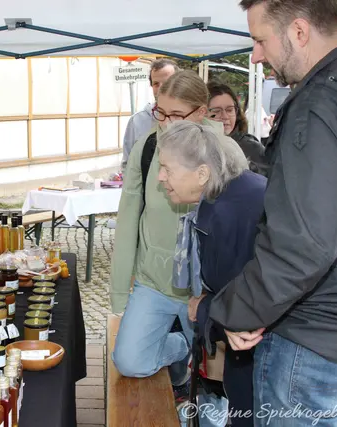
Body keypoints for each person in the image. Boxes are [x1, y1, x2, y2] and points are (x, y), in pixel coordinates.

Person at [209, 1, 337, 425]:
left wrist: (236, 311)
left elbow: (304, 244)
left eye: (260, 40)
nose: (255, 56)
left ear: (299, 32)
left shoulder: (319, 104)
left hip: (314, 342)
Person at [110, 70, 229, 427]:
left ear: (201, 112)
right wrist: (120, 293)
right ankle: (181, 347)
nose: (165, 123)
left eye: (176, 115)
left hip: (204, 290)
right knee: (129, 360)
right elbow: (128, 218)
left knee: (214, 386)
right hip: (154, 282)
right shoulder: (147, 147)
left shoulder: (224, 151)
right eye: (160, 112)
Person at [157, 121, 267, 427]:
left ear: (202, 174)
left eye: (167, 169)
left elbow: (246, 311)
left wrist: (204, 307)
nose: (160, 177)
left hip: (268, 358)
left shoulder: (224, 214)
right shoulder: (238, 192)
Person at [121, 58, 178, 172]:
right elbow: (128, 165)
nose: (161, 88)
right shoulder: (137, 121)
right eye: (156, 84)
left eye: (166, 83)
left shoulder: (190, 117)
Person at [207, 82, 267, 175]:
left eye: (230, 110)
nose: (225, 116)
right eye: (216, 111)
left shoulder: (252, 148)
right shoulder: (195, 146)